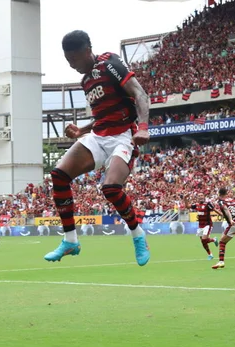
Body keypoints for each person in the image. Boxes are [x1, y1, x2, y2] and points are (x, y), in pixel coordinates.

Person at [44, 30, 151, 266]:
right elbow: (103, 116)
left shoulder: (109, 63)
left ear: (86, 51)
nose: (72, 65)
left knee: (111, 188)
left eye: (73, 60)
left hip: (123, 135)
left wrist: (143, 127)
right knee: (59, 175)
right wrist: (82, 130)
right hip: (99, 135)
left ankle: (138, 236)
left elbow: (139, 93)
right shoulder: (86, 81)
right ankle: (70, 240)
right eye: (67, 61)